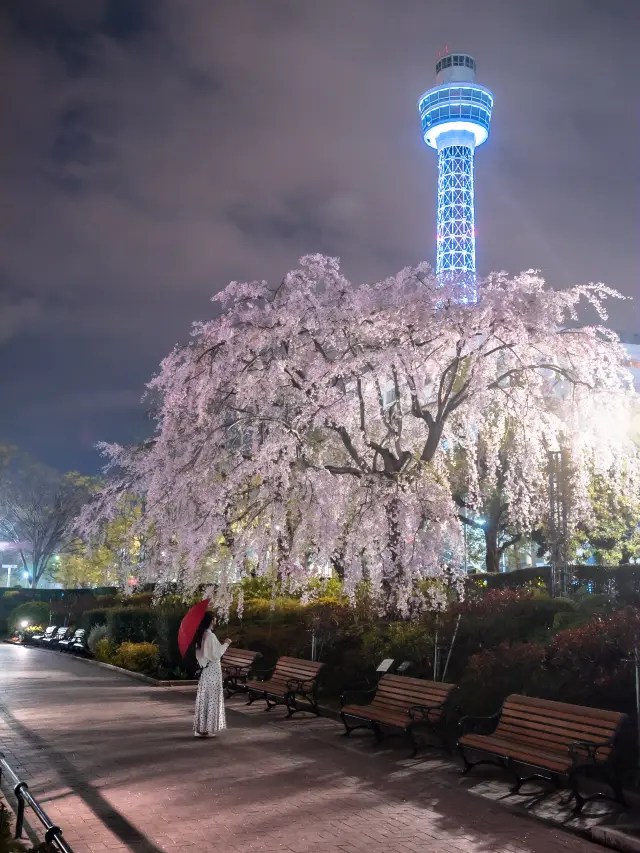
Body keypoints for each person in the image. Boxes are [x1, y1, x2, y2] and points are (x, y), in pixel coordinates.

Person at [193, 612, 232, 738]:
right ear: (209, 622)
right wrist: (226, 643)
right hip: (214, 669)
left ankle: (201, 728)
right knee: (212, 698)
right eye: (214, 620)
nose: (215, 623)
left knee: (205, 698)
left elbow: (199, 655)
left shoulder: (201, 636)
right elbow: (216, 654)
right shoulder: (210, 636)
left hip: (206, 670)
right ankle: (207, 729)